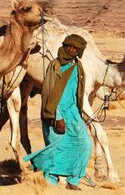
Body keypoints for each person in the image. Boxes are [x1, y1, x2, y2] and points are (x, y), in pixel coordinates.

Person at [24, 34, 92, 190]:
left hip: (74, 113)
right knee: (56, 149)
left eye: (76, 48)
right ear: (65, 46)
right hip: (55, 114)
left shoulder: (78, 65)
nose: (72, 50)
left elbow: (78, 92)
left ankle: (73, 180)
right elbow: (48, 92)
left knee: (85, 144)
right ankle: (50, 182)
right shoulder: (55, 65)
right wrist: (58, 117)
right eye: (70, 46)